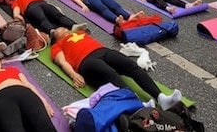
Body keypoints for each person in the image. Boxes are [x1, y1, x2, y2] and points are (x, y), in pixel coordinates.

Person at [50, 27, 182, 110]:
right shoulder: (57, 46)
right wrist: (73, 74)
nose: (62, 29)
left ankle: (161, 98)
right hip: (86, 61)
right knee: (112, 75)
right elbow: (62, 62)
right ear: (56, 38)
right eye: (58, 30)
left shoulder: (78, 32)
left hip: (103, 51)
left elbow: (79, 27)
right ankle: (139, 107)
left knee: (131, 67)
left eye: (62, 27)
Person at [0, 54, 56, 132]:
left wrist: (43, 100)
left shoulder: (13, 70)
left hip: (26, 94)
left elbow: (28, 85)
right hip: (2, 100)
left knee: (45, 126)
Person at [11, 0, 87, 34]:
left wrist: (55, 7)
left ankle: (73, 25)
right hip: (31, 7)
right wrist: (17, 15)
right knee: (41, 18)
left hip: (43, 3)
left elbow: (45, 1)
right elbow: (16, 10)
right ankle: (51, 30)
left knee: (57, 14)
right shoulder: (17, 0)